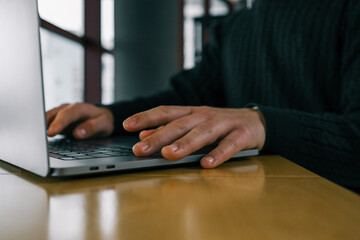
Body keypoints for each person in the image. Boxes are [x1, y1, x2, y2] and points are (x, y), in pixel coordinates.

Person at [46, 0, 360, 189]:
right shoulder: (234, 27)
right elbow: (185, 96)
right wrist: (111, 116)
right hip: (246, 196)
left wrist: (263, 124)